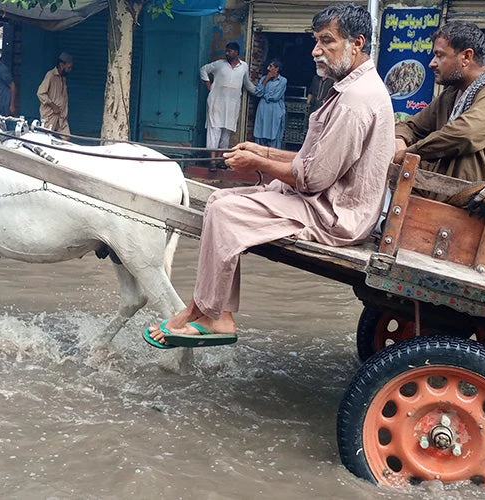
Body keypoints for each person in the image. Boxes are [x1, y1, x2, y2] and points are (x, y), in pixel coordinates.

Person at [143, 3, 394, 348]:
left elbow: (314, 178)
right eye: (316, 41)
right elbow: (316, 160)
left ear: (358, 43)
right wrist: (263, 152)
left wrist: (257, 165)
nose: (316, 51)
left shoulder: (355, 100)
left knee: (224, 211)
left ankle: (200, 309)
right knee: (218, 198)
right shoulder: (353, 89)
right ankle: (221, 315)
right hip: (327, 201)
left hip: (335, 214)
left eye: (327, 41)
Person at [393, 20, 485, 199]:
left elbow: (465, 135)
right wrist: (399, 140)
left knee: (461, 144)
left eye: (440, 55)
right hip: (467, 188)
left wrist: (408, 154)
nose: (432, 63)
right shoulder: (451, 95)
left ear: (466, 56)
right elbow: (411, 126)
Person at [199, 42, 253, 152]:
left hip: (232, 105)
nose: (227, 53)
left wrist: (260, 92)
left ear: (236, 52)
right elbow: (203, 69)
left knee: (226, 133)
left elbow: (247, 84)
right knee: (214, 131)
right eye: (226, 51)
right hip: (216, 103)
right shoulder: (219, 64)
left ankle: (220, 160)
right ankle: (212, 161)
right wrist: (209, 85)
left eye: (229, 51)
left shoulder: (244, 66)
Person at [252, 59, 287, 148]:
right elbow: (258, 93)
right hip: (263, 108)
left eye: (271, 66)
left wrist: (265, 95)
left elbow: (276, 96)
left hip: (275, 110)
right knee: (260, 132)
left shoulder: (282, 81)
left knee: (273, 133)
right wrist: (266, 79)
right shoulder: (264, 78)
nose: (268, 68)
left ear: (277, 69)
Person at [37, 52, 73, 134]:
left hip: (61, 115)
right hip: (50, 115)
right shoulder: (50, 75)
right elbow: (40, 93)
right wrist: (53, 106)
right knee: (46, 137)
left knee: (66, 137)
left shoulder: (63, 78)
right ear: (61, 65)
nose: (69, 70)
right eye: (68, 67)